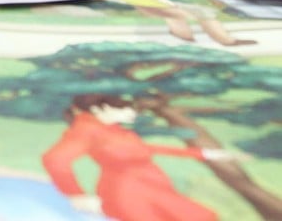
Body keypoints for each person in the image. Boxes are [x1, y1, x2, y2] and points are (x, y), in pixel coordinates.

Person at [43, 94, 232, 220]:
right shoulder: (85, 130)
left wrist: (204, 153)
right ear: (98, 110)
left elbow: (146, 149)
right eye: (123, 108)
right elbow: (55, 160)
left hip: (153, 187)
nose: (132, 112)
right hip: (129, 192)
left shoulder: (116, 131)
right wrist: (76, 194)